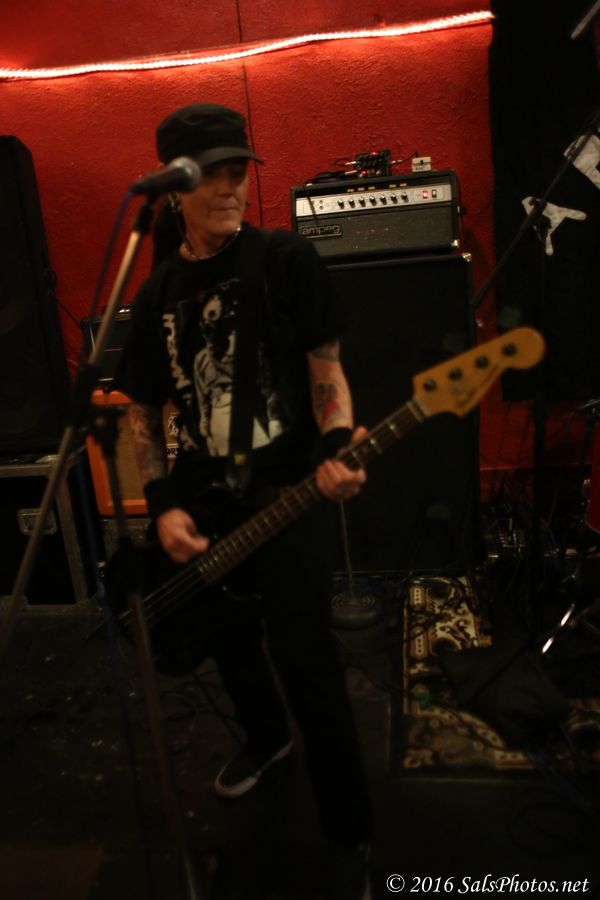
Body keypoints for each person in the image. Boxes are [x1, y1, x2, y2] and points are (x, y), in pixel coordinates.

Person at [118, 102, 372, 899]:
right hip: (203, 498)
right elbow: (143, 412)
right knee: (228, 641)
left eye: (239, 171)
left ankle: (350, 832)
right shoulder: (155, 294)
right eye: (214, 175)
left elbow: (326, 369)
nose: (232, 187)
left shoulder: (284, 259)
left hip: (287, 488)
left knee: (308, 661)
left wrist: (336, 449)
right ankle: (266, 739)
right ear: (174, 190)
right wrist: (162, 504)